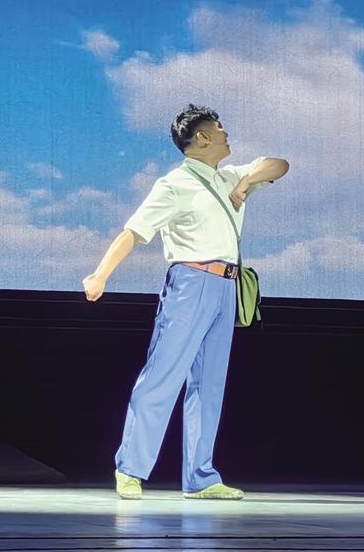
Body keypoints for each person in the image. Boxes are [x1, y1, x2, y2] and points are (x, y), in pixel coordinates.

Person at [83, 104, 288, 500]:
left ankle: (201, 478)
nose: (226, 132)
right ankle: (130, 468)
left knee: (209, 385)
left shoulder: (230, 176)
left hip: (226, 286)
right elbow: (133, 232)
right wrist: (100, 275)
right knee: (163, 375)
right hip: (191, 282)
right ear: (202, 137)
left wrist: (246, 184)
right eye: (219, 127)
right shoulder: (174, 184)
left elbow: (279, 164)